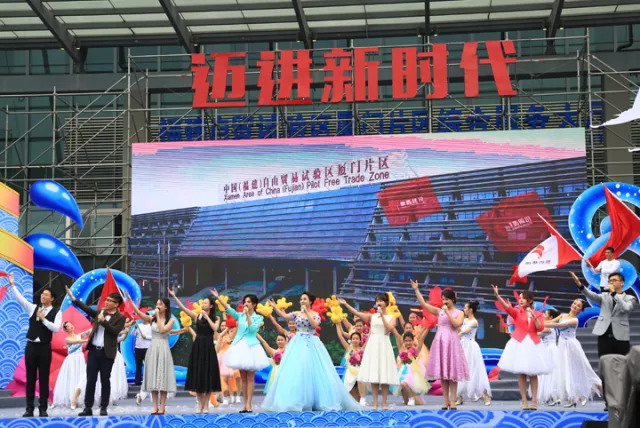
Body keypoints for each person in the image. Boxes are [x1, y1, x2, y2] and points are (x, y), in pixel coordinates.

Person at [262, 292, 360, 412]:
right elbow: (284, 316)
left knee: (315, 369)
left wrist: (306, 312)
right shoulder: (296, 313)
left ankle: (318, 400)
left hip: (311, 342)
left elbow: (314, 324)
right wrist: (275, 307)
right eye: (301, 299)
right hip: (298, 343)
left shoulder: (315, 314)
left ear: (310, 301)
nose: (302, 301)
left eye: (304, 299)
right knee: (298, 370)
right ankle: (296, 400)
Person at [569, 271, 636, 410]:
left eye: (614, 280)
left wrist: (615, 294)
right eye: (609, 281)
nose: (611, 283)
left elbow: (626, 308)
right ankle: (608, 402)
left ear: (622, 283)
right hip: (604, 336)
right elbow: (591, 295)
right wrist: (580, 285)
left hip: (621, 337)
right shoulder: (604, 296)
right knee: (605, 369)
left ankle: (622, 400)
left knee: (622, 370)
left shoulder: (630, 298)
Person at [65, 286, 126, 417]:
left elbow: (115, 331)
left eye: (109, 300)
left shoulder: (121, 318)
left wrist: (103, 322)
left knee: (105, 380)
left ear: (116, 304)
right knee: (90, 380)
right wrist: (74, 299)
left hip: (107, 353)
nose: (106, 302)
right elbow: (87, 309)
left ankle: (103, 407)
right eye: (106, 299)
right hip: (93, 351)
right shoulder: (101, 312)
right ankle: (88, 407)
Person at [8, 275, 62, 417]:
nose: (42, 296)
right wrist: (13, 285)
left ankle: (43, 408)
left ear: (52, 298)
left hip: (44, 347)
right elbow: (21, 299)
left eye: (46, 295)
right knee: (30, 378)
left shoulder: (57, 312)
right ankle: (29, 409)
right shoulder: (33, 308)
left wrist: (44, 319)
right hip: (31, 346)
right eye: (42, 294)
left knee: (43, 378)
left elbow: (56, 329)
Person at [492, 285, 551, 411]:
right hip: (520, 343)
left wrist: (534, 316)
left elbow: (540, 328)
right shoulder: (517, 312)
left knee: (534, 374)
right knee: (521, 374)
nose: (520, 300)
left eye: (523, 298)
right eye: (519, 298)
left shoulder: (538, 314)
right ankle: (524, 400)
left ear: (530, 301)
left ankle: (534, 401)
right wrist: (497, 295)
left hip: (534, 344)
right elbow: (507, 307)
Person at [411, 281, 468, 410]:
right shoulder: (439, 311)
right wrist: (416, 290)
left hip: (452, 342)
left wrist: (447, 313)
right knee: (443, 374)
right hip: (441, 342)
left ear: (453, 299)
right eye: (443, 299)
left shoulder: (459, 312)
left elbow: (456, 325)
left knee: (452, 375)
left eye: (447, 299)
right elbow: (423, 304)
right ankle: (445, 401)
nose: (444, 302)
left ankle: (453, 401)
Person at [212, 289, 269, 413]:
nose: (246, 304)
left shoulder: (258, 317)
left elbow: (252, 329)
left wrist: (248, 315)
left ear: (254, 304)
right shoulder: (240, 315)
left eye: (248, 302)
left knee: (250, 378)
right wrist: (218, 297)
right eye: (245, 302)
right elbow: (228, 309)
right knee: (243, 378)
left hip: (251, 347)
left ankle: (249, 404)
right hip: (239, 346)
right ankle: (244, 404)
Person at [340, 294, 399, 409]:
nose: (379, 303)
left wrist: (382, 316)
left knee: (384, 373)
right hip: (373, 344)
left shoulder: (392, 317)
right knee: (374, 374)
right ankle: (375, 403)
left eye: (381, 300)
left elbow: (388, 329)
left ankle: (384, 402)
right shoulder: (372, 317)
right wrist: (346, 304)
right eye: (377, 301)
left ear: (386, 303)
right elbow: (357, 314)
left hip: (384, 344)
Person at [169, 288, 221, 414]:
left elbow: (215, 328)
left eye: (205, 303)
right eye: (203, 303)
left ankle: (206, 405)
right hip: (198, 346)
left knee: (207, 376)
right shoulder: (197, 316)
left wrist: (206, 317)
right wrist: (174, 296)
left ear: (211, 306)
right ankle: (199, 405)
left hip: (208, 347)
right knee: (198, 375)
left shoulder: (216, 318)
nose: (203, 304)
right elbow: (183, 308)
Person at [551, 298, 602, 407]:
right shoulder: (562, 315)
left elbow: (558, 326)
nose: (575, 306)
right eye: (574, 303)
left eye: (578, 306)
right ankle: (572, 397)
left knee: (577, 368)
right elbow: (552, 322)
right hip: (562, 345)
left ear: (580, 310)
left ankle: (596, 384)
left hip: (571, 345)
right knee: (565, 370)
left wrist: (541, 323)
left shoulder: (575, 320)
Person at [131, 297, 176, 415]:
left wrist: (157, 316)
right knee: (153, 379)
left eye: (160, 304)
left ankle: (162, 407)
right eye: (157, 304)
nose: (157, 306)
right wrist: (131, 302)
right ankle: (154, 407)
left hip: (163, 348)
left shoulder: (170, 320)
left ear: (166, 307)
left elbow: (162, 330)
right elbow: (139, 313)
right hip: (152, 348)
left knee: (163, 379)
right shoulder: (152, 319)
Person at [457, 300, 491, 406]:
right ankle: (459, 396)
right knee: (460, 370)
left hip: (470, 347)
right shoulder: (464, 319)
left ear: (470, 310)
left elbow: (462, 333)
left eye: (465, 308)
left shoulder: (474, 322)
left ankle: (485, 395)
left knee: (475, 371)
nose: (464, 310)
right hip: (462, 346)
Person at [52, 322, 89, 409]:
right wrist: (86, 340)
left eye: (71, 324)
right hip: (71, 360)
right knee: (71, 378)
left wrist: (97, 324)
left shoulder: (79, 335)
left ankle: (78, 399)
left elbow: (88, 332)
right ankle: (71, 400)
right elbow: (77, 341)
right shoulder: (67, 339)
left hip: (80, 359)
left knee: (80, 378)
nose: (71, 326)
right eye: (68, 326)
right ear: (66, 329)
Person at [391, 328, 430, 406]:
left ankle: (412, 398)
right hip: (403, 372)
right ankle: (411, 399)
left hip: (413, 373)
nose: (408, 342)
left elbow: (421, 339)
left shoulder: (415, 350)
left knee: (404, 383)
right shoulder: (402, 350)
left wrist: (428, 327)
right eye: (406, 341)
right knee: (406, 401)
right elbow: (397, 336)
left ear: (413, 341)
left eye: (409, 341)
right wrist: (392, 328)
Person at [336, 323, 366, 404]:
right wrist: (337, 324)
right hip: (350, 372)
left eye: (357, 339)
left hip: (360, 370)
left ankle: (363, 399)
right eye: (353, 339)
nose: (355, 340)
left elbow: (369, 339)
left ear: (360, 340)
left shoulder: (362, 349)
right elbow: (340, 336)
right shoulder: (348, 348)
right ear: (351, 340)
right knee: (352, 397)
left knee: (360, 380)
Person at [538, 308, 561, 406]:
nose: (543, 314)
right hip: (546, 349)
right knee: (547, 374)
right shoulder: (548, 326)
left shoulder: (549, 327)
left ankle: (554, 396)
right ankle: (550, 396)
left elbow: (537, 334)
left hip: (550, 350)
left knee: (551, 374)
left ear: (551, 317)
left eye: (545, 314)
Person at [216, 323, 240, 405]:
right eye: (222, 326)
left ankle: (232, 396)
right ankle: (224, 397)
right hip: (221, 358)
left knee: (231, 379)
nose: (223, 327)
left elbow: (235, 331)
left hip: (229, 358)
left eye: (224, 325)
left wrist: (236, 324)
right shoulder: (219, 335)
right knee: (222, 379)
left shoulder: (230, 335)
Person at [132, 314, 152, 386]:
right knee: (138, 365)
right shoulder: (139, 325)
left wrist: (146, 337)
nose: (143, 318)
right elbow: (133, 334)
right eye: (142, 317)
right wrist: (135, 328)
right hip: (138, 348)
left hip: (147, 348)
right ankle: (137, 381)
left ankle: (149, 381)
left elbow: (154, 337)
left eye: (145, 317)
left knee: (149, 366)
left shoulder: (151, 326)